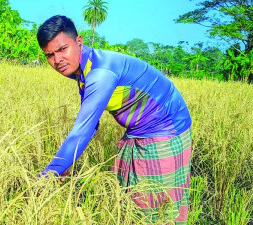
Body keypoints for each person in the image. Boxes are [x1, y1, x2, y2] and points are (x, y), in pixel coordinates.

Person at [36, 15, 192, 224]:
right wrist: (63, 166)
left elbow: (82, 130)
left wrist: (46, 176)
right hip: (138, 130)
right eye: (49, 55)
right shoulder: (84, 68)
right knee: (131, 201)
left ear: (79, 42)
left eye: (63, 49)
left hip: (165, 130)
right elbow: (91, 125)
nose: (57, 60)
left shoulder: (100, 73)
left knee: (156, 209)